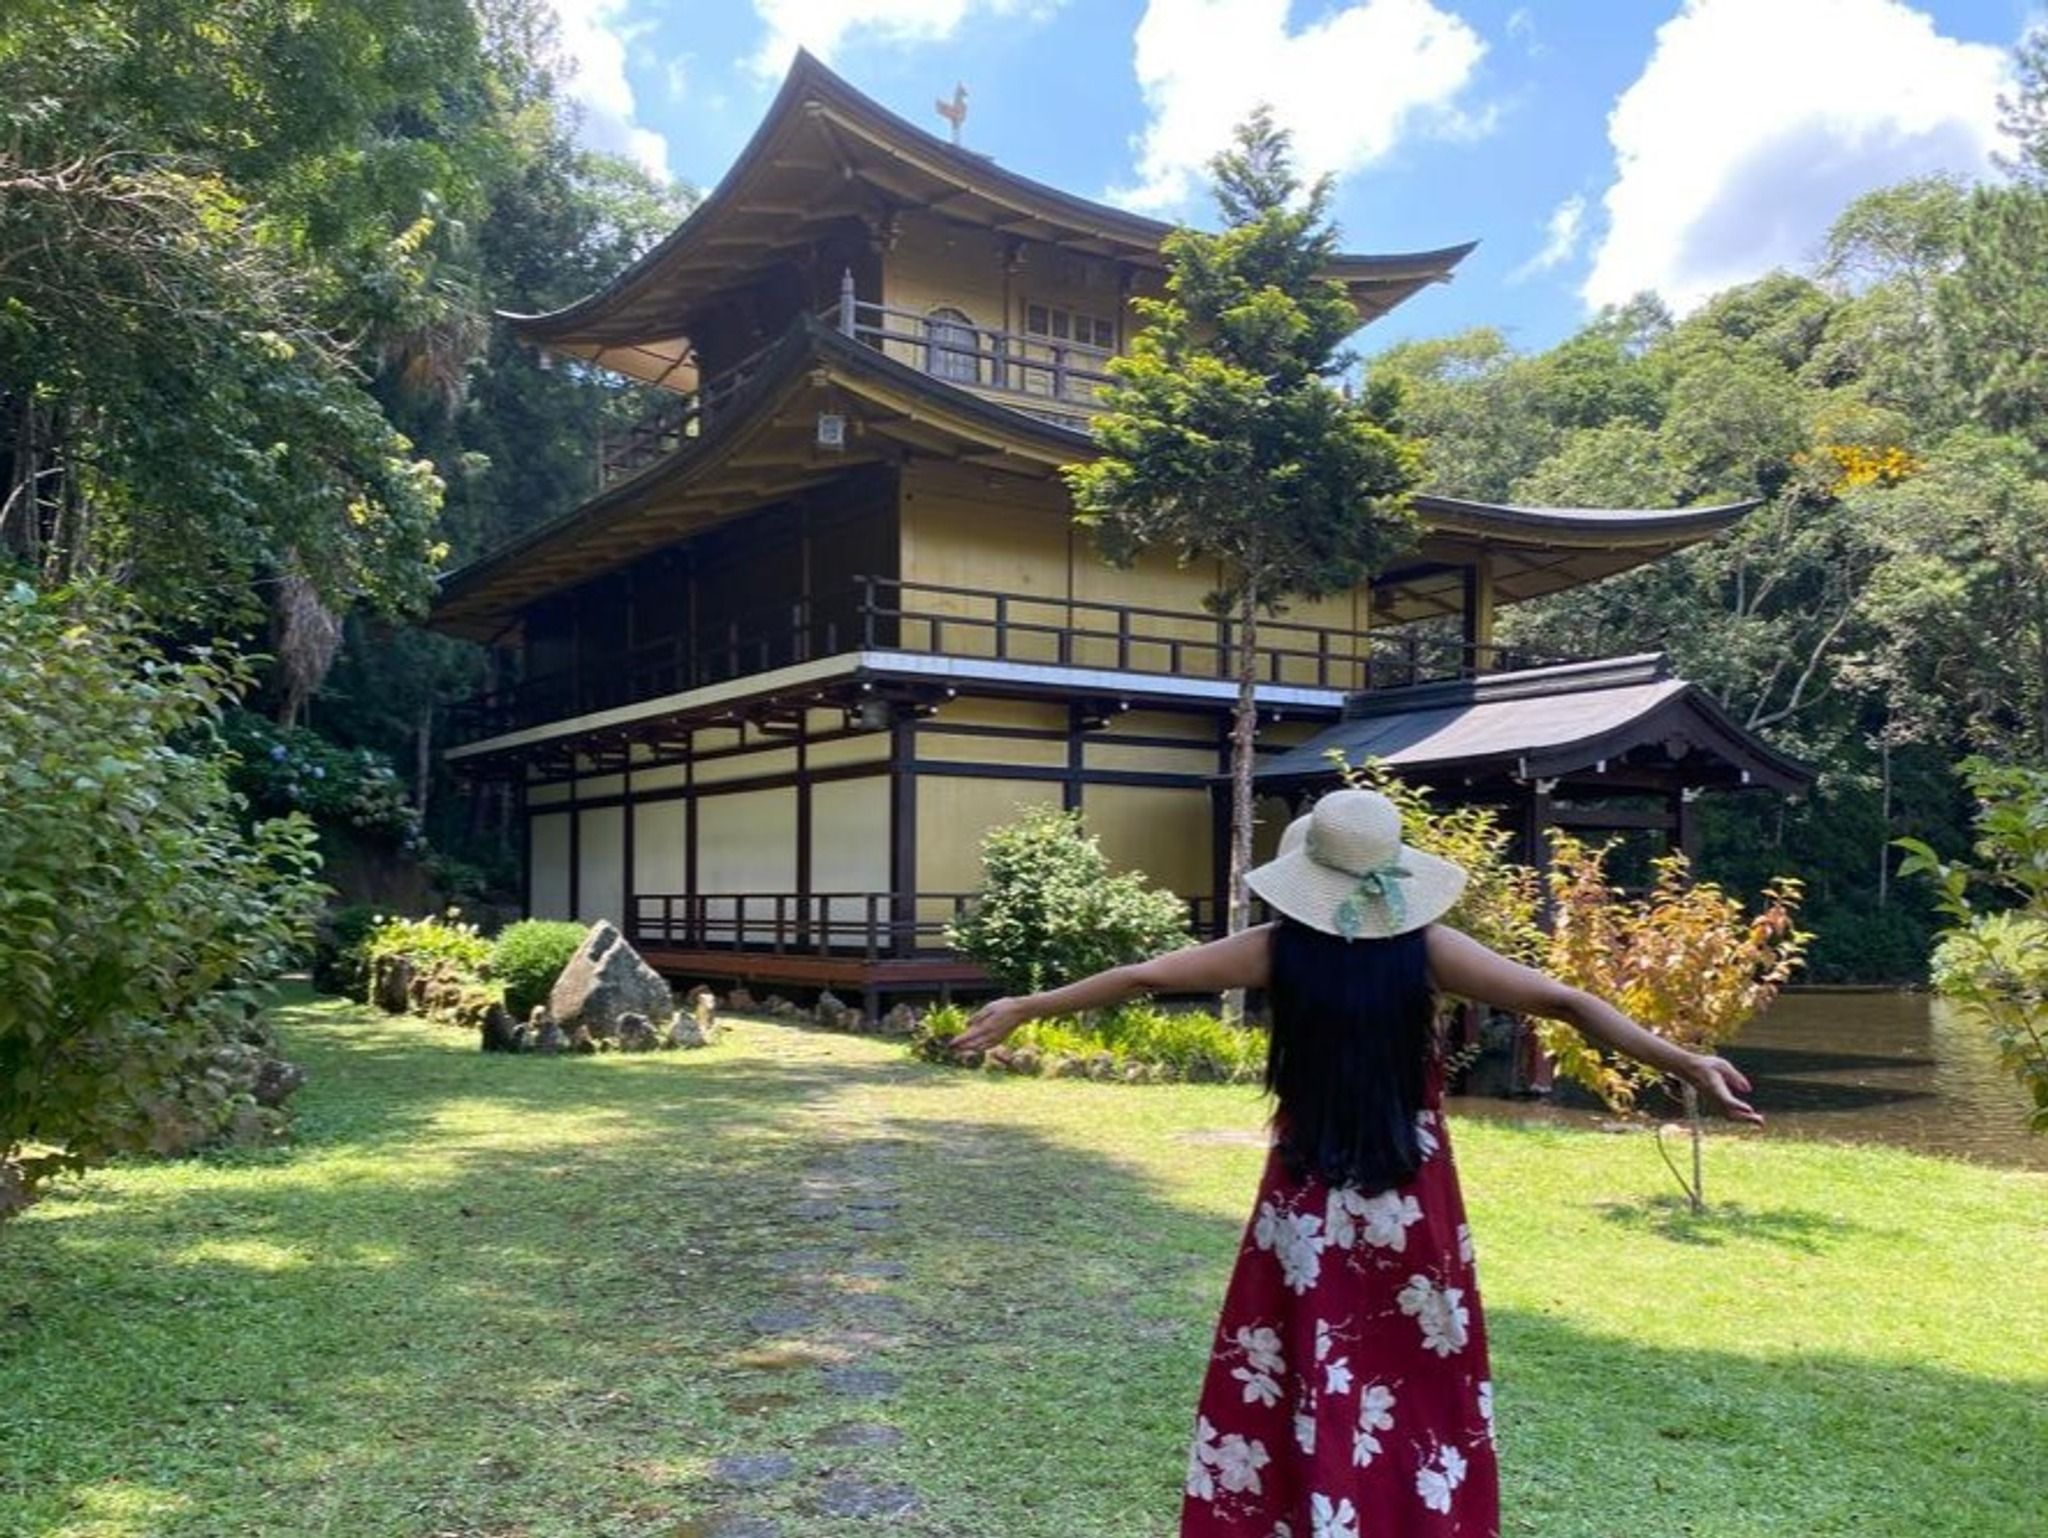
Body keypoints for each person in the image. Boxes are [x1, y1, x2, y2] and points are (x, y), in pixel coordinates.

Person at [948, 788, 1760, 1538]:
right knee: (1418, 1367)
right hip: (1411, 1194)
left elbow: (1141, 977)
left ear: (1307, 874)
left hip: (1304, 1195)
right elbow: (1567, 1002)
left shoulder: (1274, 950)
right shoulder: (1430, 949)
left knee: (1299, 1355)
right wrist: (1685, 1061)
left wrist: (1026, 1006)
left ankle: (1308, 1513)